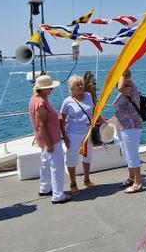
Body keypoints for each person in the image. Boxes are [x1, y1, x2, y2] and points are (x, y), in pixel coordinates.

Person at [30, 75, 70, 204]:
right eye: (49, 88)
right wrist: (49, 144)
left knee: (45, 163)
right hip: (51, 139)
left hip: (45, 139)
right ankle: (58, 194)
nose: (51, 90)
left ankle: (45, 187)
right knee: (56, 166)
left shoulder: (36, 100)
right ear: (42, 89)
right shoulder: (41, 103)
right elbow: (41, 124)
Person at [60, 75, 96, 196]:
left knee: (87, 156)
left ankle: (86, 179)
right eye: (77, 85)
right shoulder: (67, 101)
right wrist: (64, 137)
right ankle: (73, 184)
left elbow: (93, 111)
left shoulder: (89, 96)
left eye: (81, 84)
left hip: (87, 133)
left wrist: (99, 120)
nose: (80, 86)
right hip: (73, 134)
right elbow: (61, 119)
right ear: (71, 88)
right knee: (72, 159)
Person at [114, 68, 144, 193]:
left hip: (131, 126)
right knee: (127, 153)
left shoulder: (130, 89)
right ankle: (131, 177)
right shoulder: (124, 91)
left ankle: (138, 183)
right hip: (123, 126)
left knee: (132, 154)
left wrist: (122, 73)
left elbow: (120, 87)